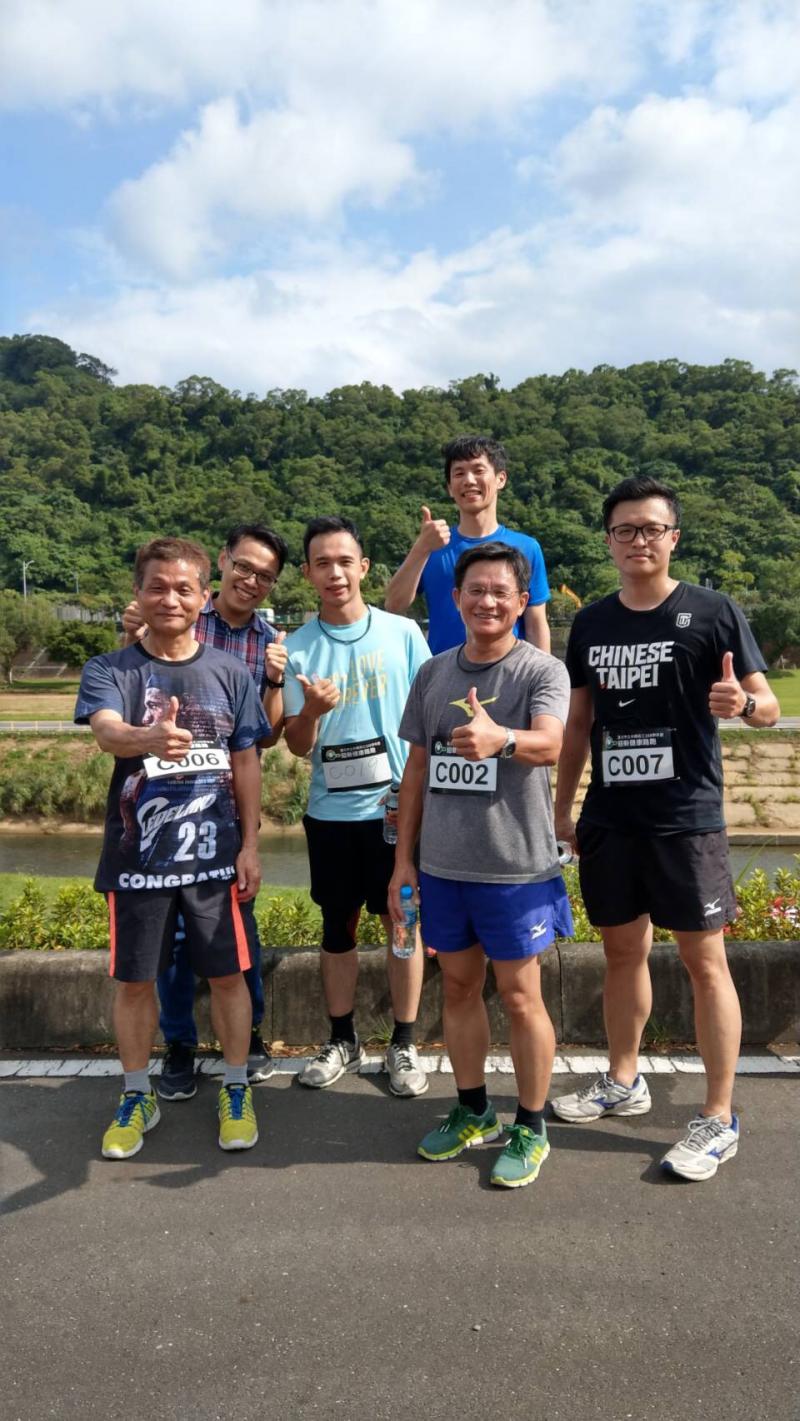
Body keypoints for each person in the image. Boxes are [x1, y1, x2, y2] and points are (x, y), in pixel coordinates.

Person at [551, 474, 780, 1181]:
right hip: (611, 817)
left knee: (705, 962)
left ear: (673, 537)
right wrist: (562, 809)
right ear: (609, 541)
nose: (638, 540)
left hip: (686, 819)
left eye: (651, 528)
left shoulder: (713, 611)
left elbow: (768, 705)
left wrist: (744, 703)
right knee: (622, 953)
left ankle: (718, 1115)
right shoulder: (592, 622)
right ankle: (624, 1078)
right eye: (625, 530)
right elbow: (579, 724)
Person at [75, 537, 272, 1159]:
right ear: (138, 593)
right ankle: (137, 1094)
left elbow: (246, 760)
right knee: (136, 983)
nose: (170, 598)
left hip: (216, 858)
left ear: (203, 597)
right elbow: (107, 732)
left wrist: (251, 845)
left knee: (229, 977)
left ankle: (235, 1087)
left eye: (184, 588)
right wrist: (147, 738)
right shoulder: (111, 670)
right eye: (156, 587)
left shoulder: (231, 671)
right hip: (138, 860)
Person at [390, 542, 572, 1188]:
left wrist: (504, 739)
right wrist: (404, 861)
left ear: (522, 602)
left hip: (516, 868)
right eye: (475, 590)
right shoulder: (434, 673)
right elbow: (417, 769)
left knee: (522, 997)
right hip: (443, 867)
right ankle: (472, 1109)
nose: (487, 601)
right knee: (460, 988)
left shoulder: (540, 670)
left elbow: (551, 743)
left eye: (501, 592)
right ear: (456, 598)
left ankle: (531, 1124)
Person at [122, 523, 288, 1098]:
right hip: (162, 806)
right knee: (170, 943)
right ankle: (179, 1044)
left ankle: (247, 1038)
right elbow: (129, 681)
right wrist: (133, 629)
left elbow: (264, 738)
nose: (252, 580)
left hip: (227, 805)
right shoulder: (178, 609)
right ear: (221, 564)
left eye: (265, 576)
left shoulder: (268, 640)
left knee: (236, 933)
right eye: (244, 567)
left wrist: (275, 680)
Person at [282, 516, 432, 1096]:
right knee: (337, 928)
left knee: (403, 924)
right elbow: (298, 746)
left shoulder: (403, 633)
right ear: (307, 573)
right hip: (332, 815)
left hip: (399, 810)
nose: (335, 572)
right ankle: (342, 1038)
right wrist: (311, 712)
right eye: (323, 563)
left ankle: (404, 1041)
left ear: (364, 568)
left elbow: (428, 721)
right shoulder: (297, 648)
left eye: (345, 561)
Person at [385, 434, 551, 653]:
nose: (469, 480)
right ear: (449, 487)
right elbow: (393, 606)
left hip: (508, 671)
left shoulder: (527, 548)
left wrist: (544, 672)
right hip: (442, 670)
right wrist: (421, 548)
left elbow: (535, 624)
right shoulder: (432, 546)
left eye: (478, 470)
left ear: (500, 479)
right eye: (459, 473)